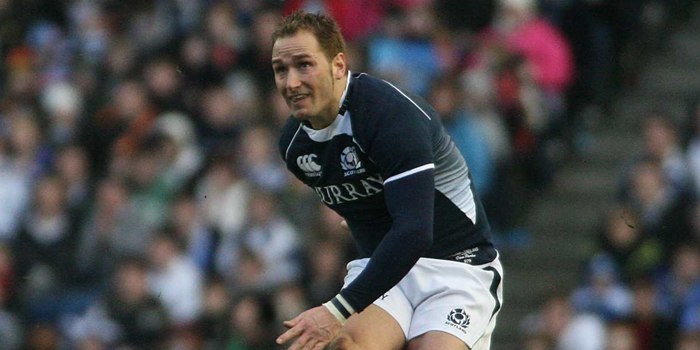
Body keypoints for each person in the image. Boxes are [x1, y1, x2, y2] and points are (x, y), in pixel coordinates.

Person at [271, 11, 503, 350]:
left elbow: (415, 231)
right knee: (343, 345)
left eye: (304, 65)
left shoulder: (388, 114)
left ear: (338, 64)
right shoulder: (294, 146)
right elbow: (367, 205)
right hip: (385, 269)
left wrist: (335, 310)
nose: (291, 82)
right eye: (281, 69)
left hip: (457, 268)